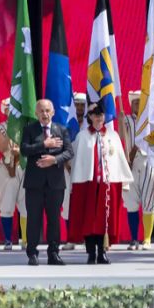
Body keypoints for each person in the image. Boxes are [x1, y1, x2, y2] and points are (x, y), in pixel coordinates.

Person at [69, 102, 133, 264]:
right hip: (87, 184)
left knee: (105, 219)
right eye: (95, 114)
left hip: (108, 184)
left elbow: (119, 159)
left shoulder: (113, 136)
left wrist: (123, 180)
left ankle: (102, 252)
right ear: (89, 117)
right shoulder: (82, 137)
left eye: (101, 114)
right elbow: (75, 160)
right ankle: (91, 252)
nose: (99, 117)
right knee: (89, 219)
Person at [21, 99, 74, 266]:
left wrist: (54, 159)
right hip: (34, 183)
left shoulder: (62, 130)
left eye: (47, 110)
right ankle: (32, 253)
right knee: (34, 219)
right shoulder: (30, 129)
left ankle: (53, 253)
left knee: (54, 220)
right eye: (41, 111)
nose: (44, 114)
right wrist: (44, 144)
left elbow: (69, 152)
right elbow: (24, 150)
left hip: (55, 183)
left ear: (53, 112)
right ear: (36, 113)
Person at [122, 91, 154, 250]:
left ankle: (147, 239)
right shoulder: (125, 120)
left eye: (141, 102)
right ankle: (133, 239)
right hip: (130, 164)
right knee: (131, 202)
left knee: (149, 201)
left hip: (148, 162)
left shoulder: (152, 120)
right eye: (135, 102)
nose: (138, 105)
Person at [0, 98, 26, 251]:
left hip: (23, 166)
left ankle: (25, 239)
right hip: (7, 168)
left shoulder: (25, 127)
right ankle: (8, 239)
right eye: (9, 109)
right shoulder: (0, 127)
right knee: (6, 204)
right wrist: (13, 133)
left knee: (25, 204)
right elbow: (2, 147)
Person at [59, 92, 87, 251]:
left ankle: (84, 237)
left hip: (85, 169)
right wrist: (66, 164)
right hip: (67, 169)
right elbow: (59, 146)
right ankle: (71, 239)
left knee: (84, 204)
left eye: (83, 105)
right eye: (77, 104)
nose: (80, 107)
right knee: (67, 204)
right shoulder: (66, 123)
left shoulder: (89, 126)